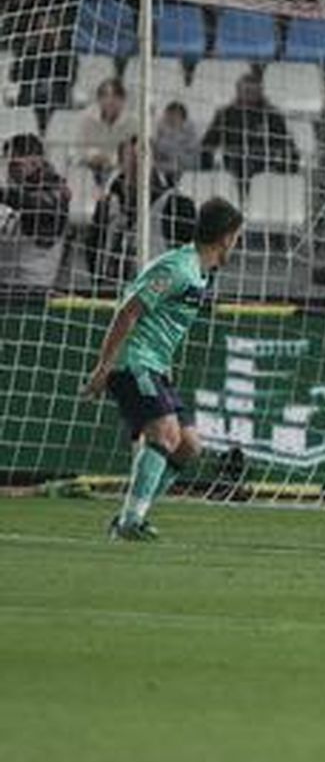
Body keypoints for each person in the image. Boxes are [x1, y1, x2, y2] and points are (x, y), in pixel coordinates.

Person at [81, 197, 245, 541]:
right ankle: (130, 523)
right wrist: (103, 368)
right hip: (132, 363)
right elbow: (128, 311)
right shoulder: (177, 268)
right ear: (227, 237)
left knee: (188, 446)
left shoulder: (199, 273)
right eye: (237, 237)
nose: (236, 245)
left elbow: (161, 322)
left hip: (154, 366)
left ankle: (132, 516)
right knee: (166, 434)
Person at [89, 136, 196, 285]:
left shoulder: (177, 205)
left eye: (142, 158)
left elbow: (194, 255)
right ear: (121, 163)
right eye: (131, 160)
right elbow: (93, 247)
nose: (137, 165)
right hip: (110, 290)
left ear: (153, 162)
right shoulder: (106, 205)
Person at [201, 71, 299, 188]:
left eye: (253, 92)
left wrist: (280, 173)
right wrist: (208, 173)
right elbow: (207, 144)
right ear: (238, 92)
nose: (249, 95)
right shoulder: (225, 114)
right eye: (246, 91)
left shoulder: (272, 115)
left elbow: (288, 146)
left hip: (265, 171)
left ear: (260, 93)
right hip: (233, 168)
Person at [0, 132, 70, 291]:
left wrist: (3, 194)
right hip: (7, 284)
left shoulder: (56, 191)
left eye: (16, 165)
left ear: (36, 161)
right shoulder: (17, 190)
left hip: (33, 290)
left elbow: (38, 205)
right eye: (9, 165)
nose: (11, 171)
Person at [78, 78, 138, 175]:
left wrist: (110, 159)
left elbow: (132, 155)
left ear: (123, 100)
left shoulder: (133, 122)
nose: (110, 101)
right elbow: (81, 148)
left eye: (115, 97)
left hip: (121, 171)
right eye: (105, 96)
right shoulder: (87, 119)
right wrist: (94, 156)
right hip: (89, 169)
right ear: (98, 99)